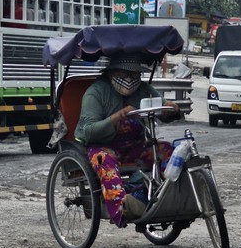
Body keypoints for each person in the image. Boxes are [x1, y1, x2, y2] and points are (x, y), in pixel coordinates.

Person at [74, 53, 181, 228]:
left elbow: (161, 108)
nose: (130, 80)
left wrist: (171, 109)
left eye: (135, 75)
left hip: (134, 147)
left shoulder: (143, 90)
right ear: (111, 73)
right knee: (105, 161)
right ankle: (124, 210)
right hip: (102, 145)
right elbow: (89, 131)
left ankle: (169, 197)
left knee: (168, 151)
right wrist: (116, 117)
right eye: (125, 75)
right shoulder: (95, 92)